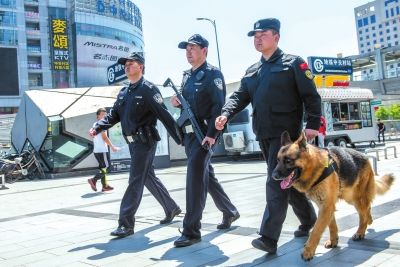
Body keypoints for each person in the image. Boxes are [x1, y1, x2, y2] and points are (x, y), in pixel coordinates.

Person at [215, 18, 321, 254]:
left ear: (276, 37)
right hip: (263, 134)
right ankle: (308, 221)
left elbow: (311, 95)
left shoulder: (293, 63)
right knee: (286, 181)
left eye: (262, 34)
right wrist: (225, 114)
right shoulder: (253, 70)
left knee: (275, 182)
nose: (257, 38)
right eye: (255, 35)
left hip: (286, 137)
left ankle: (268, 238)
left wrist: (313, 123)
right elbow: (239, 96)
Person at [89, 52, 183, 238]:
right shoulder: (124, 92)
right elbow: (113, 115)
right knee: (147, 177)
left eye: (131, 63)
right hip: (132, 143)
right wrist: (98, 127)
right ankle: (171, 208)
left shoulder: (148, 89)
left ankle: (126, 223)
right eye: (125, 64)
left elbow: (164, 114)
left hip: (145, 142)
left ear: (141, 67)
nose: (127, 66)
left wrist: (182, 139)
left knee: (135, 179)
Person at [171, 34, 240, 247]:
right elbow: (188, 105)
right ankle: (230, 211)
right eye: (186, 49)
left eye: (193, 48)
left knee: (194, 180)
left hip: (205, 136)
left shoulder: (213, 75)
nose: (189, 52)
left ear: (205, 50)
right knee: (206, 176)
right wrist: (177, 103)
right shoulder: (186, 76)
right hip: (190, 136)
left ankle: (192, 231)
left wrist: (212, 135)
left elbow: (217, 107)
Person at [88, 107, 119, 192]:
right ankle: (93, 180)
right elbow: (105, 138)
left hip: (97, 151)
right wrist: (112, 147)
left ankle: (104, 186)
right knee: (108, 168)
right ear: (97, 116)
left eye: (105, 115)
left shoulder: (95, 124)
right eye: (102, 115)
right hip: (102, 151)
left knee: (103, 168)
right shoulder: (102, 125)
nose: (104, 116)